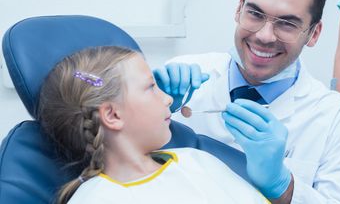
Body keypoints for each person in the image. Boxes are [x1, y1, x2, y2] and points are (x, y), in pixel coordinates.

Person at [154, 0, 340, 203]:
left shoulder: (330, 114)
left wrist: (282, 185)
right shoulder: (181, 75)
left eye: (287, 23)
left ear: (314, 34)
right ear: (239, 9)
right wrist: (152, 119)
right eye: (255, 14)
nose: (265, 36)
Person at [38, 46, 269, 204]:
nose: (168, 99)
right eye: (151, 87)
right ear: (112, 115)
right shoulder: (96, 199)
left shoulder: (197, 160)